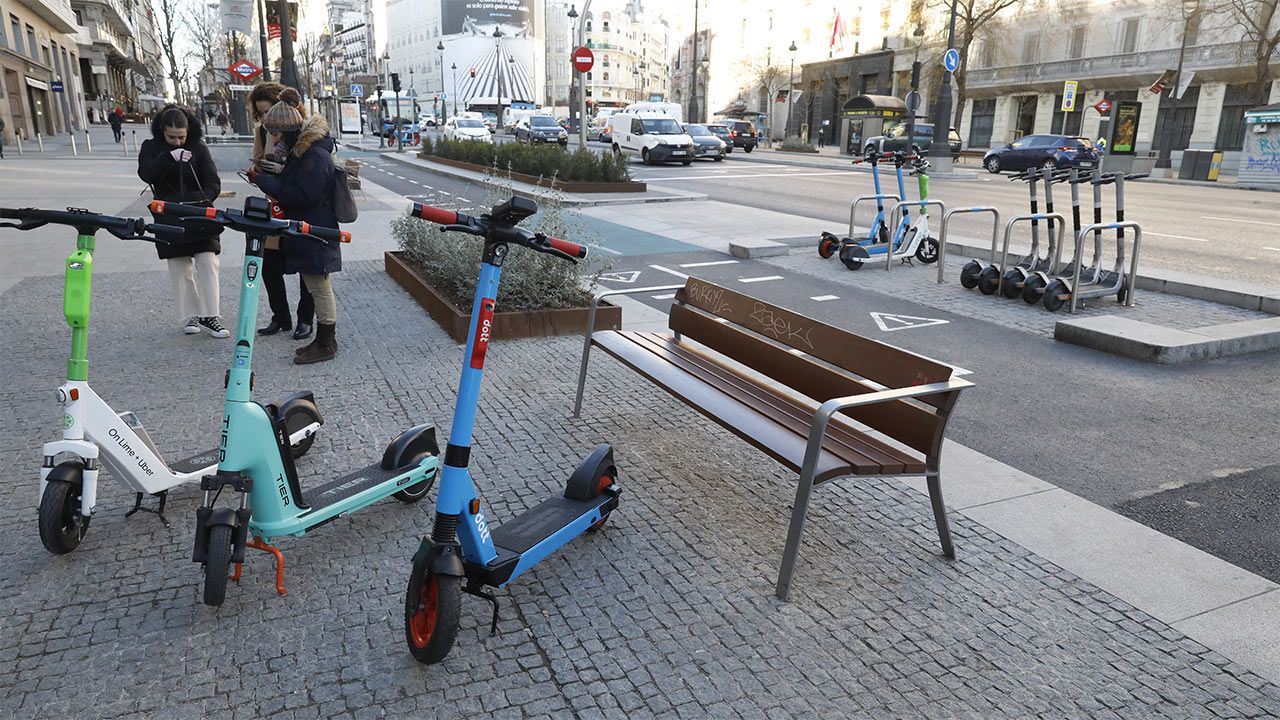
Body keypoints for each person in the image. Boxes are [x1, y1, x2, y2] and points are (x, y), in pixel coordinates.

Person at [249, 88, 342, 364]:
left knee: (319, 286)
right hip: (310, 228)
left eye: (276, 134)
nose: (274, 139)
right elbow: (297, 185)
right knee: (315, 284)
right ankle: (323, 339)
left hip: (315, 230)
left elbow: (302, 194)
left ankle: (327, 341)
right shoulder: (305, 152)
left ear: (288, 132)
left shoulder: (314, 156)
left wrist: (264, 182)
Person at [137, 104, 229, 338]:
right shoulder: (151, 147)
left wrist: (202, 199)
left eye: (181, 137)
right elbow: (146, 174)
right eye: (171, 138)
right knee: (179, 267)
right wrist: (169, 158)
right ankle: (191, 313)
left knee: (208, 262)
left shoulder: (198, 147)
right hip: (169, 215)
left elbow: (213, 182)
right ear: (162, 131)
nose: (177, 142)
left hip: (199, 215)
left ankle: (211, 315)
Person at [248, 82, 314, 340]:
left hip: (298, 207)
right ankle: (281, 317)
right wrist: (262, 166)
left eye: (268, 111)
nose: (265, 119)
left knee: (305, 265)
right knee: (269, 265)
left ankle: (305, 319)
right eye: (261, 113)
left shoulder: (301, 130)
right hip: (274, 204)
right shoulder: (263, 131)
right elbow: (257, 162)